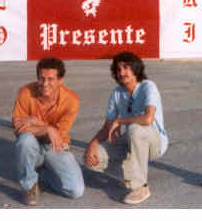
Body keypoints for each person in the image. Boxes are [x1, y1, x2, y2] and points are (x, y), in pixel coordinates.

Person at [84, 51, 168, 205]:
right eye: (118, 69)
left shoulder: (148, 86)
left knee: (134, 129)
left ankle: (141, 186)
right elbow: (107, 127)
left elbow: (148, 118)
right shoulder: (116, 93)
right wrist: (92, 146)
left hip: (153, 142)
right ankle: (131, 174)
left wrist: (121, 120)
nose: (122, 72)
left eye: (126, 67)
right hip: (131, 141)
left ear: (135, 68)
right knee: (93, 158)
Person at [12, 56, 85, 205]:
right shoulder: (25, 92)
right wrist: (47, 128)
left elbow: (57, 136)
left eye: (51, 79)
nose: (45, 84)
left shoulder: (72, 100)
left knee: (76, 190)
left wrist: (34, 121)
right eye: (41, 78)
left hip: (55, 146)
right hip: (32, 145)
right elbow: (19, 128)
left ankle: (40, 175)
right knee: (25, 141)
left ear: (60, 80)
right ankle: (29, 185)